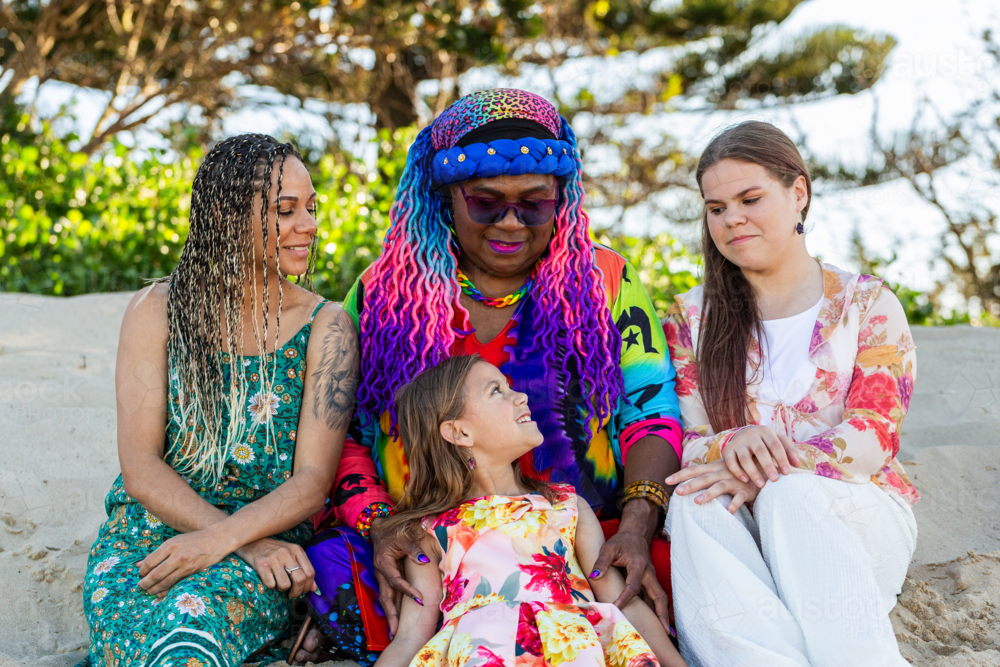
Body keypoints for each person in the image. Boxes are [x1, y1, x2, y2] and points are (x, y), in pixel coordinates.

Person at [293, 88, 682, 664]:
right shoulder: (385, 294)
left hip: (586, 536)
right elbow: (341, 436)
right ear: (447, 197)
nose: (510, 222)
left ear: (562, 197)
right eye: (485, 201)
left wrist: (636, 524)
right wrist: (382, 526)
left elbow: (652, 415)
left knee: (672, 570)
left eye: (533, 202)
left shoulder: (605, 281)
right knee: (334, 569)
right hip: (431, 546)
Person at [80, 134, 359, 667]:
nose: (309, 225)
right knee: (138, 637)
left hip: (267, 537)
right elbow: (139, 465)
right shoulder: (156, 309)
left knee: (187, 639)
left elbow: (311, 484)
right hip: (147, 534)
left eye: (312, 208)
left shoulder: (329, 327)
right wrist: (229, 541)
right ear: (229, 218)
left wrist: (235, 543)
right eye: (286, 210)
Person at [661, 121, 919, 667]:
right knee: (691, 502)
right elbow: (689, 439)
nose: (732, 218)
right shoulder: (691, 318)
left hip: (854, 516)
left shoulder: (865, 305)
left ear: (798, 193)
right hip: (742, 528)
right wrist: (738, 443)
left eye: (750, 199)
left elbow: (871, 439)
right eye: (716, 208)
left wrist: (764, 466)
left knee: (789, 495)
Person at [372, 354, 686, 667]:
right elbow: (411, 636)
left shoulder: (566, 505)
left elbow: (622, 604)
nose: (520, 395)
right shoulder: (430, 531)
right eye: (496, 390)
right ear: (460, 433)